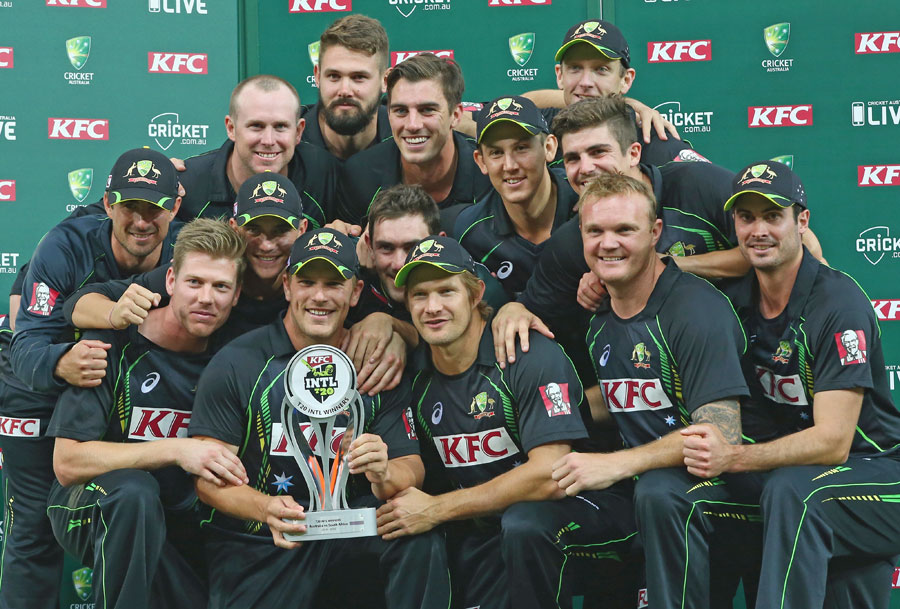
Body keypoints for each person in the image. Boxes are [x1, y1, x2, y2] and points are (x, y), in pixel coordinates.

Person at [187, 228, 451, 609]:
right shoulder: (238, 362)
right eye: (307, 282)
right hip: (262, 539)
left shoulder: (376, 362)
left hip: (351, 531)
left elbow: (410, 465)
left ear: (356, 292)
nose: (320, 296)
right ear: (287, 286)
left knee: (415, 533)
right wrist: (266, 509)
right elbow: (208, 481)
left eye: (334, 283)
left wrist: (383, 472)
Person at [680, 160, 900, 609]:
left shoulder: (838, 304)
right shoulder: (735, 302)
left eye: (772, 216)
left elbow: (834, 443)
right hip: (799, 476)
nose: (758, 230)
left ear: (801, 222)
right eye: (746, 217)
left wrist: (734, 456)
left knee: (792, 491)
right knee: (675, 493)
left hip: (881, 471)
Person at [377, 235, 637, 609]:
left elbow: (551, 475)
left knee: (523, 525)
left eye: (446, 291)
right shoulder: (413, 374)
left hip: (585, 512)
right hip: (485, 523)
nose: (432, 307)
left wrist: (435, 509)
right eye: (420, 295)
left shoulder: (527, 353)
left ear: (475, 293)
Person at [549, 173, 751, 609]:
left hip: (722, 494)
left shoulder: (696, 309)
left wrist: (615, 464)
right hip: (639, 488)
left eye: (625, 230)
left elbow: (719, 437)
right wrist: (548, 416)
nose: (609, 244)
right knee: (528, 520)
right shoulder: (600, 318)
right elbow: (623, 395)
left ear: (655, 233)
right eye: (596, 231)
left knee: (659, 492)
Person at [2, 148, 182, 609]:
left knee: (145, 511)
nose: (142, 221)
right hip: (38, 389)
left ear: (175, 208)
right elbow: (26, 346)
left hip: (118, 389)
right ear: (107, 204)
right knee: (33, 523)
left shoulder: (187, 252)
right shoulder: (66, 245)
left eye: (154, 209)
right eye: (130, 207)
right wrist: (62, 361)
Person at [46, 219, 247, 609]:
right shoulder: (110, 342)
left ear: (237, 295)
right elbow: (67, 462)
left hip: (179, 516)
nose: (206, 297)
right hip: (92, 502)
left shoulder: (236, 355)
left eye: (220, 287)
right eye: (195, 282)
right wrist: (175, 449)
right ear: (170, 281)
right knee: (136, 493)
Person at [335, 53, 492, 227]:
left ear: (455, 116)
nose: (412, 125)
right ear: (388, 114)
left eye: (427, 110)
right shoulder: (361, 176)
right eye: (401, 111)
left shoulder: (490, 174)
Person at [177, 74, 339, 230]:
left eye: (280, 127)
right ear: (231, 128)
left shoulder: (328, 176)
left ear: (298, 131)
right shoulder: (187, 187)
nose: (268, 140)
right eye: (256, 126)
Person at [454, 95, 578, 298]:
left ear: (549, 148)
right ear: (481, 161)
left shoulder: (587, 200)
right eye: (496, 153)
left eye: (521, 148)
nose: (510, 165)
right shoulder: (471, 231)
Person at [301, 14, 393, 160]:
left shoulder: (405, 141)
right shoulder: (288, 143)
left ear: (385, 80)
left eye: (359, 77)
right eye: (334, 76)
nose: (344, 90)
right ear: (317, 76)